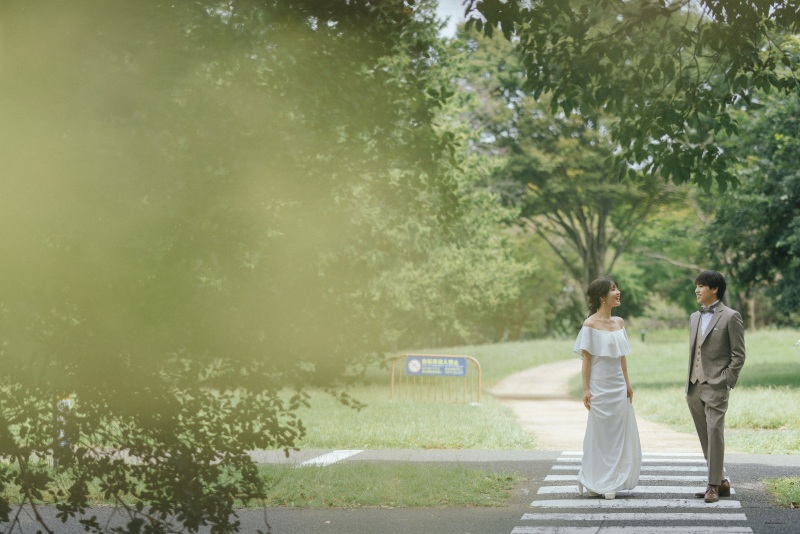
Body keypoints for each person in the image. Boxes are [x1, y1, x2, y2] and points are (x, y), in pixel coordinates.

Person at [573, 276, 641, 500]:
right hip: (599, 386)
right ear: (602, 297)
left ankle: (612, 481)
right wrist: (585, 390)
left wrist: (628, 383)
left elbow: (622, 357)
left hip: (618, 386)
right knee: (599, 435)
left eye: (617, 288)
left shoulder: (620, 323)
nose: (618, 292)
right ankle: (594, 479)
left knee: (617, 435)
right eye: (613, 290)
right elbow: (587, 361)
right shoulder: (590, 324)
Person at [686, 270, 745, 503]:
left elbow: (738, 355)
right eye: (696, 286)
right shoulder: (694, 317)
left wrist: (724, 381)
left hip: (716, 386)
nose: (696, 290)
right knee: (704, 436)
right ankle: (721, 481)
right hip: (693, 386)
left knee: (714, 432)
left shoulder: (731, 316)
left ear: (715, 289)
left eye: (701, 286)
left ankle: (712, 485)